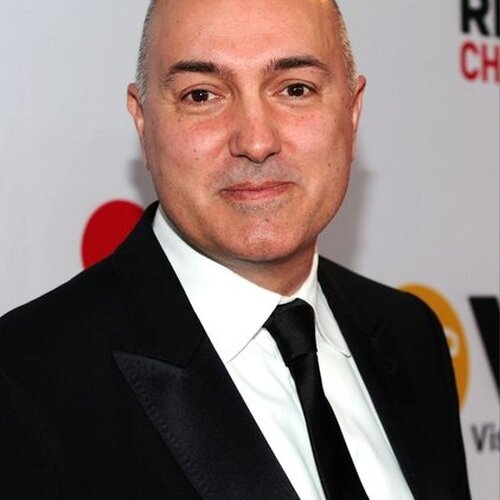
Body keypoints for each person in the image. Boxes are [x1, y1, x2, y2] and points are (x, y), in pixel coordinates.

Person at [0, 0, 471, 499]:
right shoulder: (25, 381)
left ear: (351, 113)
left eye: (295, 89)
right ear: (143, 123)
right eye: (202, 95)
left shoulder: (411, 334)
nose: (256, 140)